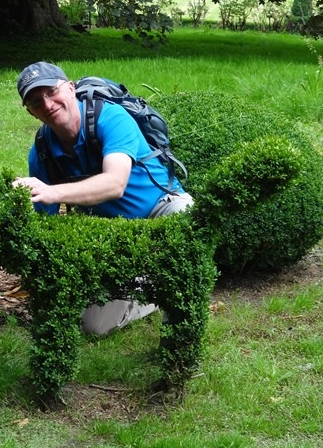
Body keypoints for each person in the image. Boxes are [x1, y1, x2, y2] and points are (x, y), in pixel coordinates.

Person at [13, 61, 194, 335]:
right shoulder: (41, 153)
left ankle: (180, 319)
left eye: (52, 92)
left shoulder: (111, 117)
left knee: (188, 216)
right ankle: (153, 285)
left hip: (160, 209)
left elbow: (115, 183)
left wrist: (51, 192)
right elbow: (45, 230)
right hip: (110, 236)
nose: (47, 104)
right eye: (36, 102)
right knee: (94, 326)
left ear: (70, 88)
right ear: (30, 112)